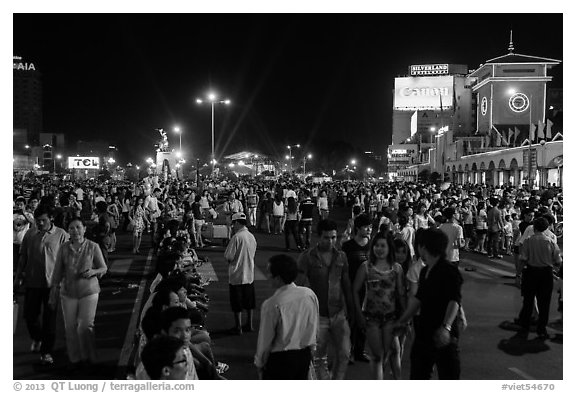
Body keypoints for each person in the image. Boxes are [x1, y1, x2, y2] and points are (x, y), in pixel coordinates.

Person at [395, 228, 463, 380]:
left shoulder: (449, 271)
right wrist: (403, 320)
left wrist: (446, 327)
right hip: (424, 331)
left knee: (448, 375)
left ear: (423, 247)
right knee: (419, 374)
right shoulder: (425, 271)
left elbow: (454, 301)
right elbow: (418, 299)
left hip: (443, 335)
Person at [296, 219, 355, 380]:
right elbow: (297, 286)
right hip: (317, 315)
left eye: (334, 237)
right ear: (318, 237)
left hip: (338, 313)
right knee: (318, 357)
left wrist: (351, 309)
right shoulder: (307, 257)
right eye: (326, 238)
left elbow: (346, 284)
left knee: (344, 353)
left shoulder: (341, 256)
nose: (330, 241)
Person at [13, 204, 70, 365]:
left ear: (50, 218)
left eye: (43, 221)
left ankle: (46, 352)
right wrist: (17, 279)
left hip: (53, 285)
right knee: (29, 316)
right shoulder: (30, 234)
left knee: (49, 320)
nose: (39, 224)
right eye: (37, 221)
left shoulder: (61, 235)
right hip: (32, 283)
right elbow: (23, 258)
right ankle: (37, 338)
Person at [50, 218, 108, 368]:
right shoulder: (63, 248)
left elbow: (103, 268)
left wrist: (93, 271)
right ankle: (75, 359)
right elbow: (57, 272)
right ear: (68, 231)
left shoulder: (93, 247)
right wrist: (53, 291)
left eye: (78, 227)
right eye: (71, 228)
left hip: (89, 291)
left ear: (84, 229)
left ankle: (89, 355)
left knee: (85, 325)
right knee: (70, 327)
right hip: (68, 292)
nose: (75, 231)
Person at [254, 254, 319, 380]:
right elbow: (314, 324)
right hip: (304, 356)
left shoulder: (272, 304)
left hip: (280, 360)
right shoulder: (309, 294)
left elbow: (265, 339)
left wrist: (260, 363)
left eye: (269, 273)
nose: (268, 277)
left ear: (278, 278)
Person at [352, 232, 406, 380]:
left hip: (391, 318)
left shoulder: (396, 269)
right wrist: (358, 313)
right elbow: (355, 290)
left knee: (394, 351)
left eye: (383, 246)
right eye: (376, 245)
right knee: (377, 356)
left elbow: (401, 294)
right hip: (371, 319)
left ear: (389, 248)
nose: (379, 249)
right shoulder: (366, 267)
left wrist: (405, 317)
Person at [517, 217, 562, 340]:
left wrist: (518, 275)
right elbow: (558, 261)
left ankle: (524, 327)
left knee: (528, 301)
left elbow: (523, 259)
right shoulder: (551, 242)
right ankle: (541, 328)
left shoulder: (528, 241)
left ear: (534, 227)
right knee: (544, 303)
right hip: (546, 274)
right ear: (547, 228)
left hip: (530, 272)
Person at [341, 213, 372, 363]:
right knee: (352, 319)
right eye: (366, 227)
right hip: (352, 287)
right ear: (358, 228)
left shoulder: (372, 245)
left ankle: (360, 350)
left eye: (370, 227)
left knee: (365, 320)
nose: (368, 230)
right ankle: (350, 351)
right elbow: (343, 270)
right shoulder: (348, 246)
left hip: (368, 289)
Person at [224, 212, 257, 334]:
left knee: (237, 302)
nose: (233, 226)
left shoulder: (237, 237)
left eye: (234, 223)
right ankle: (250, 324)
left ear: (237, 223)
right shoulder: (251, 236)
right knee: (249, 301)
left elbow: (229, 256)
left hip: (237, 273)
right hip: (249, 273)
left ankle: (238, 326)